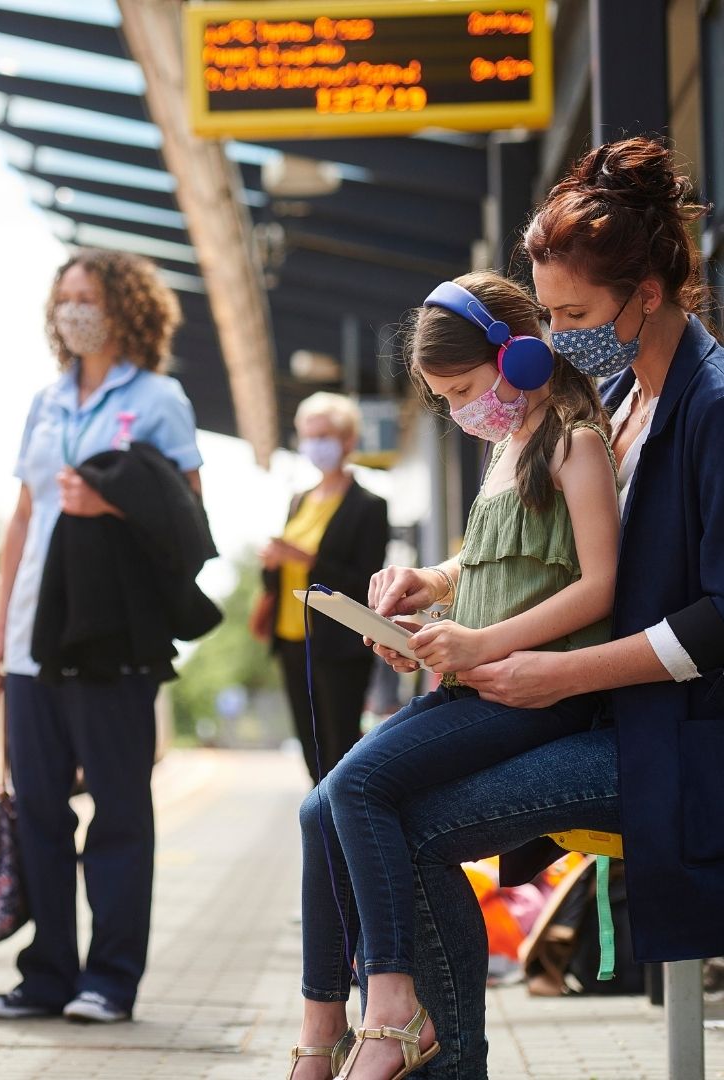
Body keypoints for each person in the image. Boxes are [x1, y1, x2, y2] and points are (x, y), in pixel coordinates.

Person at [366, 137, 724, 1079]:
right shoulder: (615, 392)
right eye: (548, 314)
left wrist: (553, 671)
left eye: (572, 313)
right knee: (386, 806)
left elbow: (722, 617)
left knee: (407, 821)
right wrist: (444, 586)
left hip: (674, 735)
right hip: (608, 713)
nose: (554, 340)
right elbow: (544, 550)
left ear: (648, 291)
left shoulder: (713, 405)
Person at [289, 269, 622, 1080]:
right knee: (315, 806)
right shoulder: (507, 450)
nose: (460, 410)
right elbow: (490, 558)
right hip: (480, 683)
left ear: (522, 359)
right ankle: (321, 1026)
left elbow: (597, 585)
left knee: (357, 790)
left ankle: (394, 1005)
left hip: (541, 695)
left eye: (464, 388)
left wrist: (479, 644)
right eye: (443, 399)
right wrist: (431, 598)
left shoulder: (576, 443)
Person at [0, 248, 207, 1025]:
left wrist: (110, 504)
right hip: (36, 634)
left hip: (113, 635)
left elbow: (185, 517)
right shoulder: (44, 402)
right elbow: (22, 517)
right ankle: (45, 975)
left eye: (90, 298)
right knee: (38, 807)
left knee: (117, 810)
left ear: (126, 309)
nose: (75, 310)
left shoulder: (160, 398)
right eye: (65, 297)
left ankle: (110, 980)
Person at [253, 392, 389, 785]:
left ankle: (343, 838)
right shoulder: (299, 500)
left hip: (338, 645)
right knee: (310, 752)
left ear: (348, 440)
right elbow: (279, 581)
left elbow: (365, 580)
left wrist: (305, 559)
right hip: (291, 640)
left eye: (325, 435)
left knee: (339, 751)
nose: (315, 445)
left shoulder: (368, 505)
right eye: (308, 436)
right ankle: (324, 834)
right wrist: (273, 564)